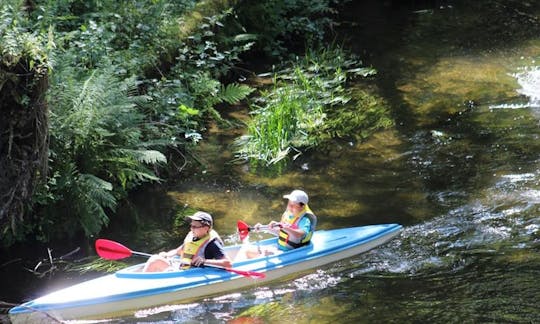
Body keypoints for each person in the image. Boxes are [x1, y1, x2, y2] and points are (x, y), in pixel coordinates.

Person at [143, 211, 232, 272]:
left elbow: (228, 263)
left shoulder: (213, 244)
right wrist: (167, 254)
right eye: (191, 226)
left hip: (194, 273)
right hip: (183, 269)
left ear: (206, 228)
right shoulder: (193, 237)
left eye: (195, 227)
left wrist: (204, 261)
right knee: (155, 258)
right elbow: (178, 251)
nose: (191, 229)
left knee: (154, 260)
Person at [244, 189, 316, 258]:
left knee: (265, 252)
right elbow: (281, 232)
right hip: (280, 247)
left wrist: (285, 227)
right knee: (248, 252)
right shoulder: (287, 215)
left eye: (293, 205)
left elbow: (301, 234)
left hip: (291, 252)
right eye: (289, 204)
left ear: (302, 206)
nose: (289, 207)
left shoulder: (305, 219)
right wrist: (263, 228)